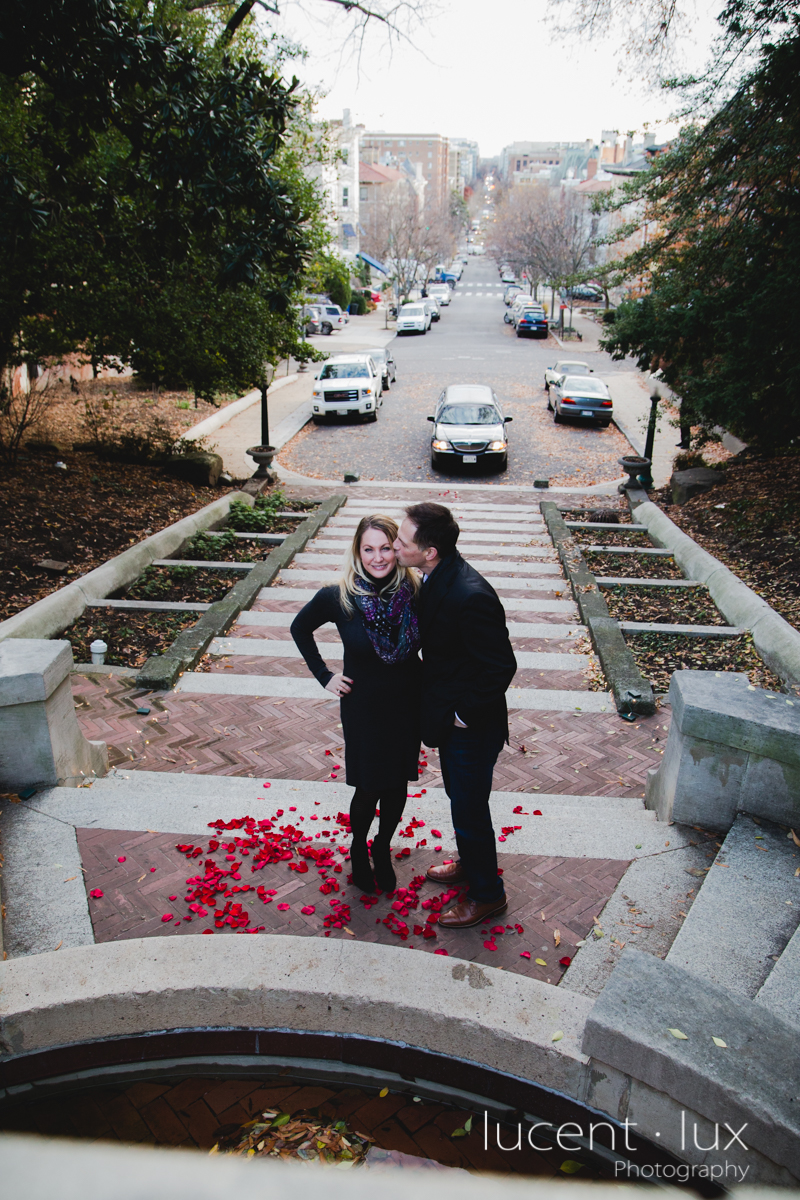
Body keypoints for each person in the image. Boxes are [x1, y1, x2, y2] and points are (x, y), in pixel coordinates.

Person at [393, 502, 517, 928]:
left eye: (402, 542)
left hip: (472, 725)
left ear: (430, 551)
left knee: (469, 808)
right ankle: (469, 862)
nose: (394, 546)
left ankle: (487, 896)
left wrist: (463, 715)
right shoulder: (435, 576)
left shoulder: (470, 595)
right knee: (461, 802)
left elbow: (501, 666)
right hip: (451, 717)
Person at [291, 514, 421, 895]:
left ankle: (382, 848)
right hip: (363, 706)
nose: (377, 557)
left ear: (397, 550)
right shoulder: (339, 596)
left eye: (385, 548)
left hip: (405, 703)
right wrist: (324, 675)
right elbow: (300, 628)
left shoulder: (414, 591)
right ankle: (359, 848)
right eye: (369, 549)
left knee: (397, 784)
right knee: (368, 786)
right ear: (357, 551)